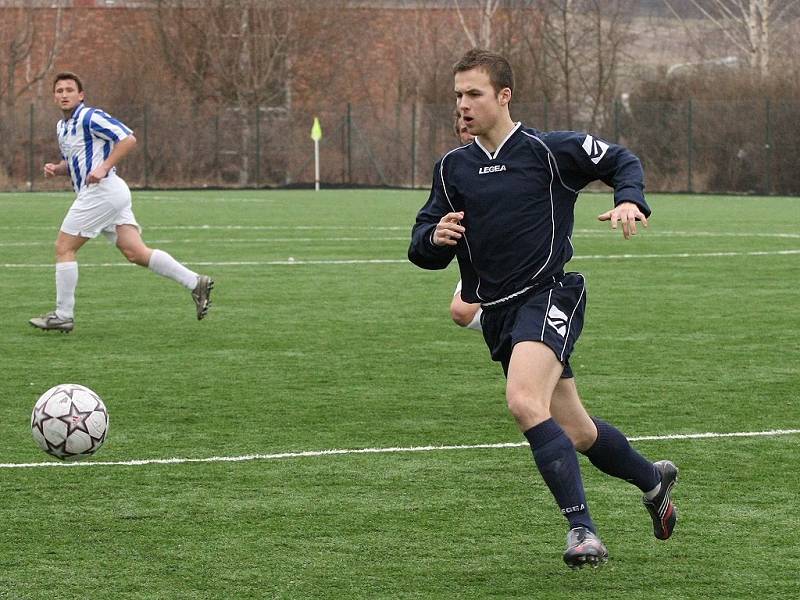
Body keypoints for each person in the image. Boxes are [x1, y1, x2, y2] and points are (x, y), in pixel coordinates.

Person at [409, 49, 678, 569]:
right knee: (577, 432)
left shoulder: (549, 150)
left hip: (551, 294)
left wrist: (630, 198)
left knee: (523, 401)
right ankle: (652, 480)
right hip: (503, 315)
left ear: (504, 96)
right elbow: (421, 246)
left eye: (474, 94)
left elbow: (621, 158)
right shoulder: (452, 168)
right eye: (457, 96)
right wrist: (435, 238)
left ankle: (583, 531)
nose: (462, 105)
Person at [29, 72, 213, 333]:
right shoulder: (63, 127)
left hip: (102, 192)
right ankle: (196, 282)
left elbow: (128, 139)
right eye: (59, 91)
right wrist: (57, 169)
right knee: (136, 253)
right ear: (54, 96)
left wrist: (104, 167)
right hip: (105, 194)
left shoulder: (90, 116)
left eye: (70, 90)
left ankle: (63, 315)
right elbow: (75, 163)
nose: (64, 94)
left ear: (80, 95)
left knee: (63, 248)